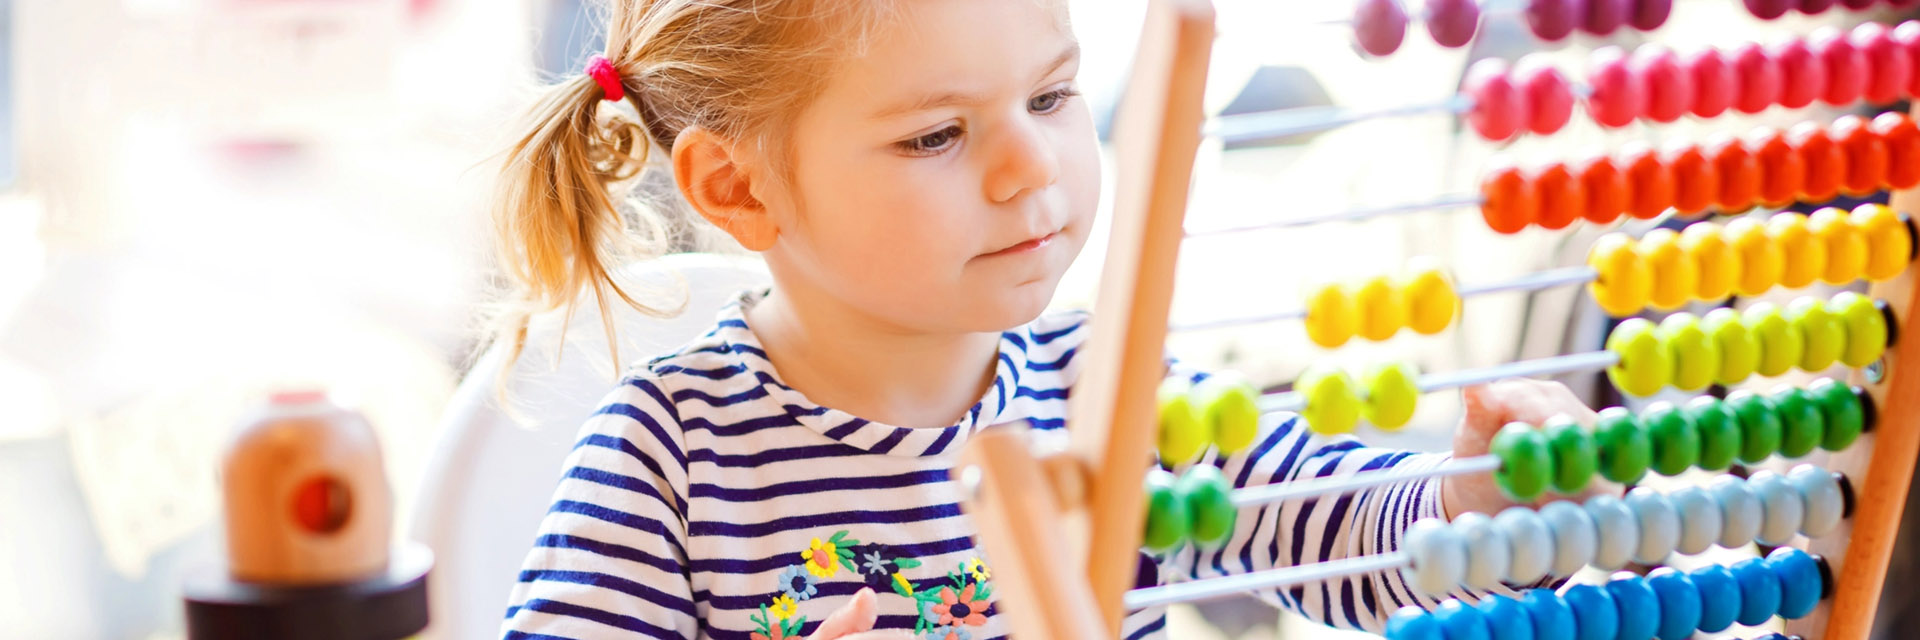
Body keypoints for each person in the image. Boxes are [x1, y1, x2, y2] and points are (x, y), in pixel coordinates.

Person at [489, 1, 1599, 638]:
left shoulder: (1115, 394)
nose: (1032, 168)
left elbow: (1345, 541)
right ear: (739, 191)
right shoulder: (670, 456)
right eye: (938, 135)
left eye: (1053, 97)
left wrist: (1480, 499)